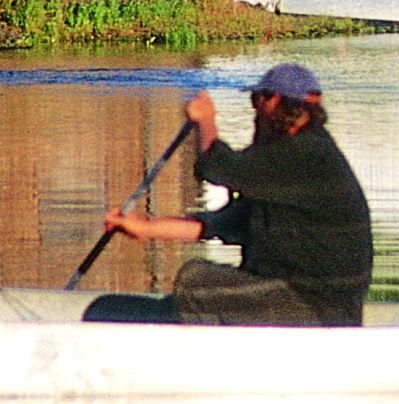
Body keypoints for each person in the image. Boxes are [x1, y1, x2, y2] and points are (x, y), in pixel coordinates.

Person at [96, 62, 373, 326]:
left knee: (195, 280)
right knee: (201, 283)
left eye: (255, 101)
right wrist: (143, 229)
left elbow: (215, 166)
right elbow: (218, 224)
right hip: (306, 306)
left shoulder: (307, 155)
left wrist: (206, 120)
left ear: (273, 101)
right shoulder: (284, 169)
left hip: (316, 312)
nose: (254, 114)